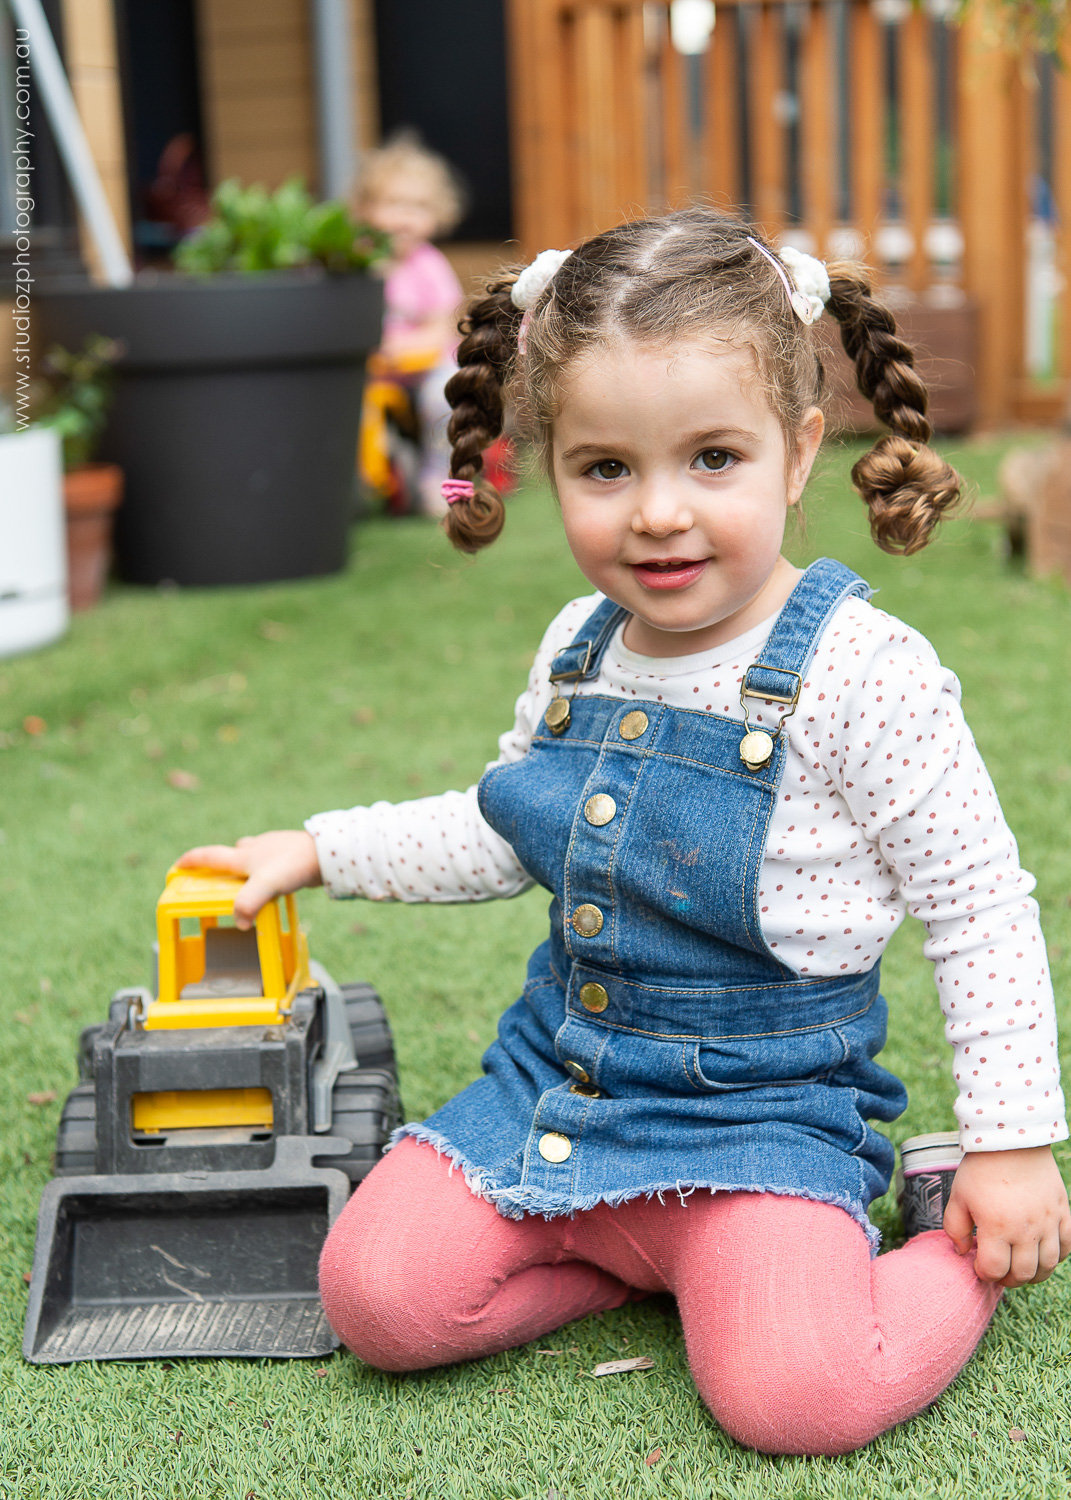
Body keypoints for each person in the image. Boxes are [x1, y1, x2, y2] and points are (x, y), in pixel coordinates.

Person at [178, 208, 1071, 1457]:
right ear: (550, 465)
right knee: (377, 1298)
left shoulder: (867, 673)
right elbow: (507, 827)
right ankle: (637, 1261)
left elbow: (978, 910)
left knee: (796, 1397)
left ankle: (936, 1247)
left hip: (761, 1121)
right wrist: (322, 848)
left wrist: (1011, 1145)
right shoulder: (576, 649)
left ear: (799, 451)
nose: (657, 512)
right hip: (564, 1086)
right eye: (605, 468)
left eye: (713, 458)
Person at [354, 135, 467, 515]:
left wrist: (400, 348)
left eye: (418, 207)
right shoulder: (359, 264)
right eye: (393, 204)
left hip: (424, 366)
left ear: (437, 214)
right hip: (371, 370)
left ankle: (441, 475)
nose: (405, 218)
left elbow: (440, 328)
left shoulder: (428, 266)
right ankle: (364, 478)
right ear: (366, 208)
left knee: (446, 397)